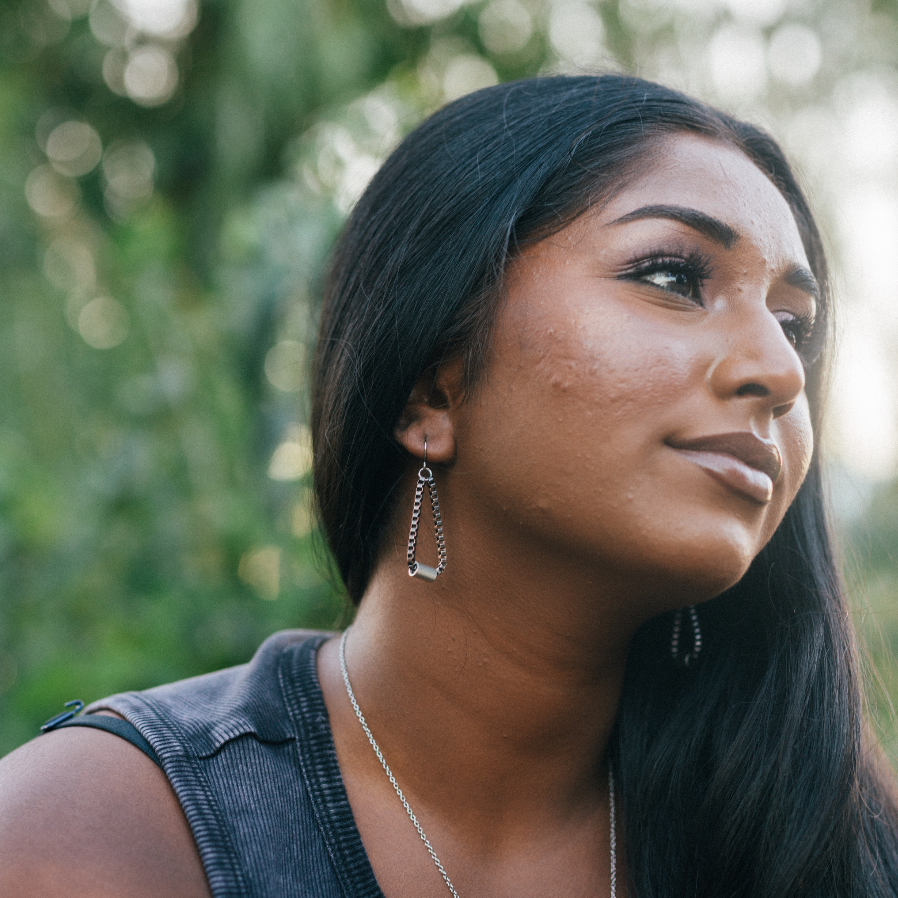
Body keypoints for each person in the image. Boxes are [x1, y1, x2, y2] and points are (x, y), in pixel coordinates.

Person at [1, 73, 896, 898]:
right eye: (671, 276)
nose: (781, 372)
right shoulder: (98, 833)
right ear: (430, 385)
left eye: (794, 324)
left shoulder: (837, 852)